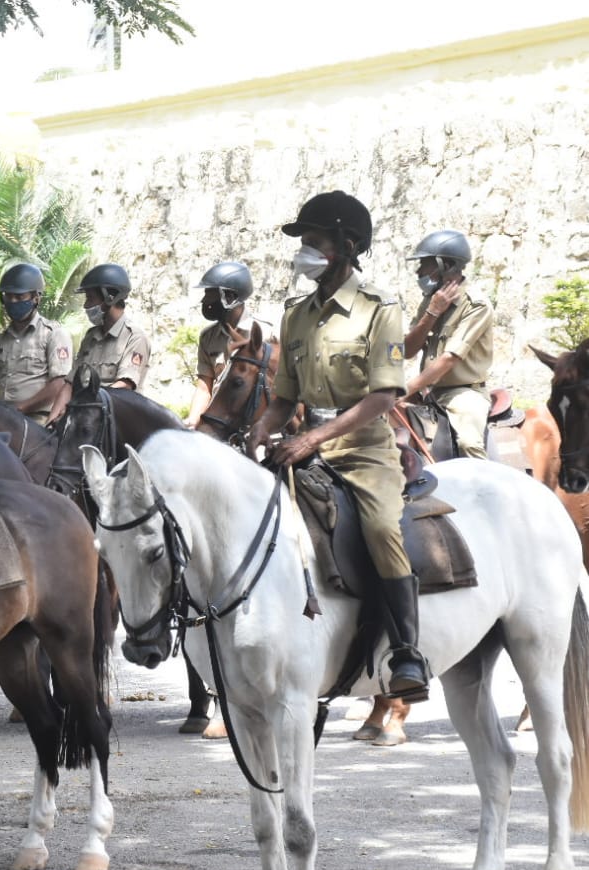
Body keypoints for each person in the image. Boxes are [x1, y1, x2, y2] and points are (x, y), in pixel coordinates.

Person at [249, 190, 428, 700]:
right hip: (303, 446)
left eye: (314, 241)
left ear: (347, 246)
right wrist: (264, 427)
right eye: (304, 241)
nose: (304, 250)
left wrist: (314, 438)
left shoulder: (379, 310)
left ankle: (406, 652)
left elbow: (384, 396)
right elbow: (283, 397)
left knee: (378, 528)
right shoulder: (296, 314)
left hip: (365, 450)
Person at [402, 230, 492, 460]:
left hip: (464, 393)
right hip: (430, 392)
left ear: (447, 265)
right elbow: (408, 350)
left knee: (468, 442)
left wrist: (407, 389)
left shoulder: (476, 305)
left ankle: (483, 492)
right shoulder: (431, 301)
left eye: (425, 264)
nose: (419, 271)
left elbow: (449, 359)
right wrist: (432, 313)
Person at [45, 264, 151, 423]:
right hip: (84, 420)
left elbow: (124, 386)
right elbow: (69, 384)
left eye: (90, 298)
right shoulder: (90, 337)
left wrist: (82, 408)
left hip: (116, 423)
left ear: (110, 297)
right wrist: (51, 423)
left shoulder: (134, 337)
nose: (86, 305)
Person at [0, 262, 74, 422]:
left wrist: (21, 408)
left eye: (20, 297)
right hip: (2, 417)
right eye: (8, 296)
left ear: (36, 298)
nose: (13, 301)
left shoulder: (53, 334)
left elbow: (59, 383)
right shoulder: (1, 340)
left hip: (37, 419)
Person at [186, 261, 278, 429]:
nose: (204, 300)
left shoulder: (266, 333)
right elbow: (204, 387)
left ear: (230, 297)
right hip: (220, 420)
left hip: (255, 425)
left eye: (210, 293)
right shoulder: (208, 337)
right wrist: (193, 422)